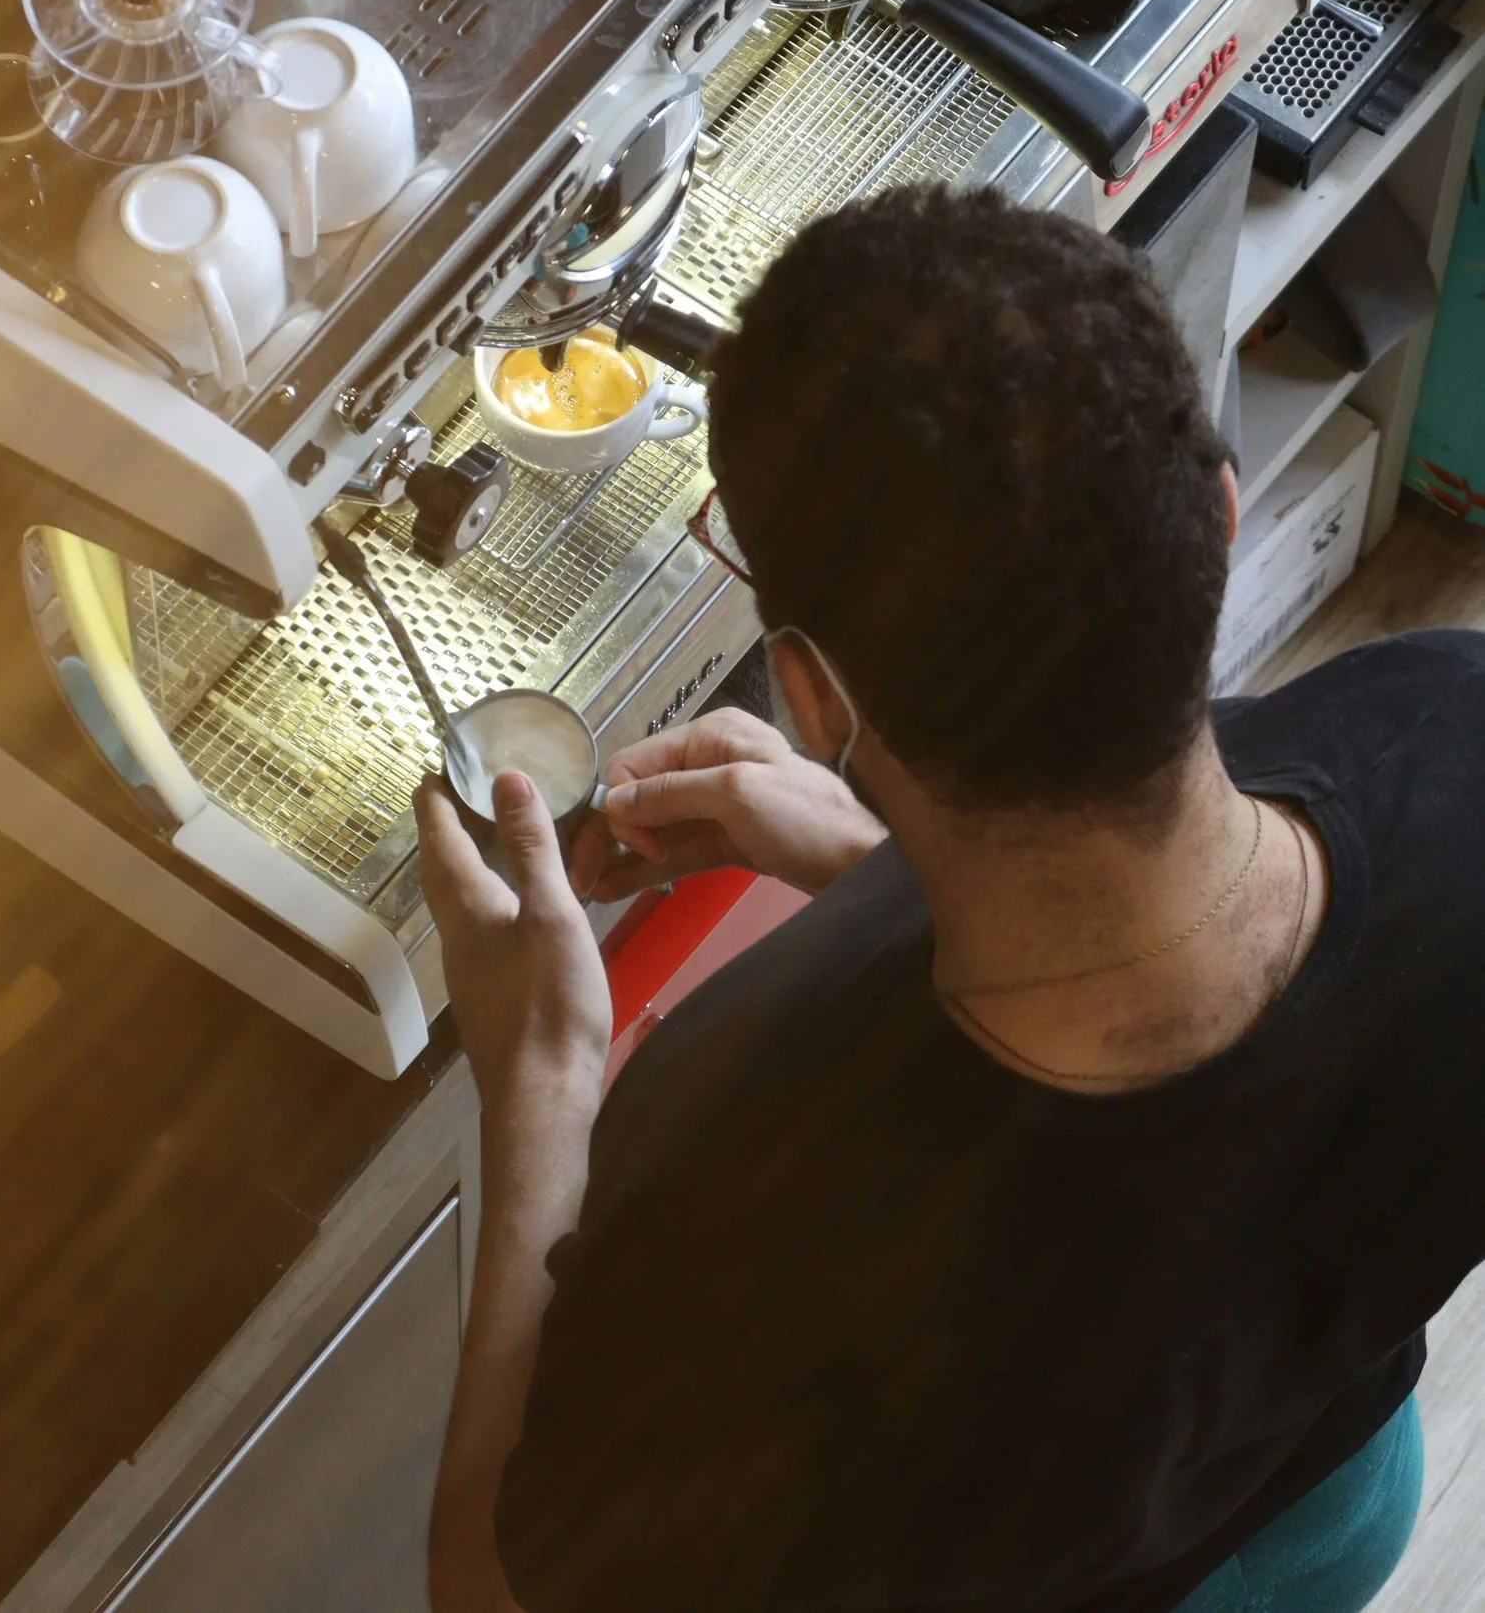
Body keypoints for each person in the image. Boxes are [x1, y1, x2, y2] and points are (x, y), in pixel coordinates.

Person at [419, 185, 1485, 1613]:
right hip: (1329, 1501)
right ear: (1219, 521)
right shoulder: (1447, 720)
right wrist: (881, 858)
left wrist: (541, 1075)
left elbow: (494, 1589)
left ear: (808, 693)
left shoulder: (736, 1192)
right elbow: (1198, 1121)